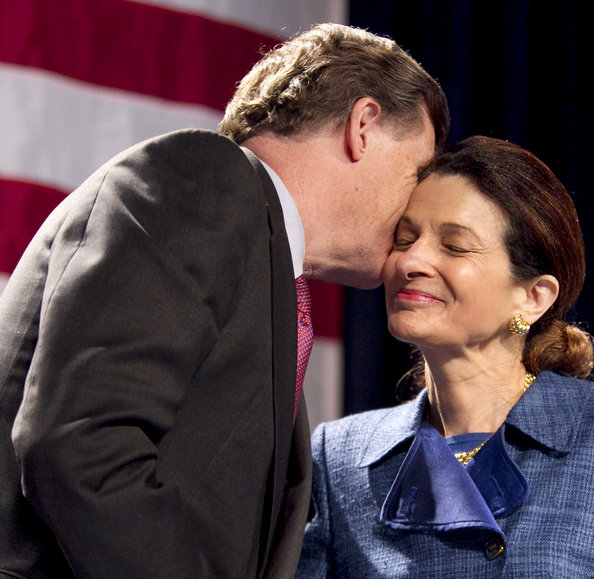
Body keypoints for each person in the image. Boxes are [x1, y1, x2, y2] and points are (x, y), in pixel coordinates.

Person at [0, 23, 449, 578]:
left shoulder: (264, 264)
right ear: (363, 126)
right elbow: (80, 445)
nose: (416, 209)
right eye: (420, 172)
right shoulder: (203, 178)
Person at [295, 136, 594, 577]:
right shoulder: (338, 457)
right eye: (405, 239)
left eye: (455, 246)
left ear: (532, 297)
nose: (411, 261)